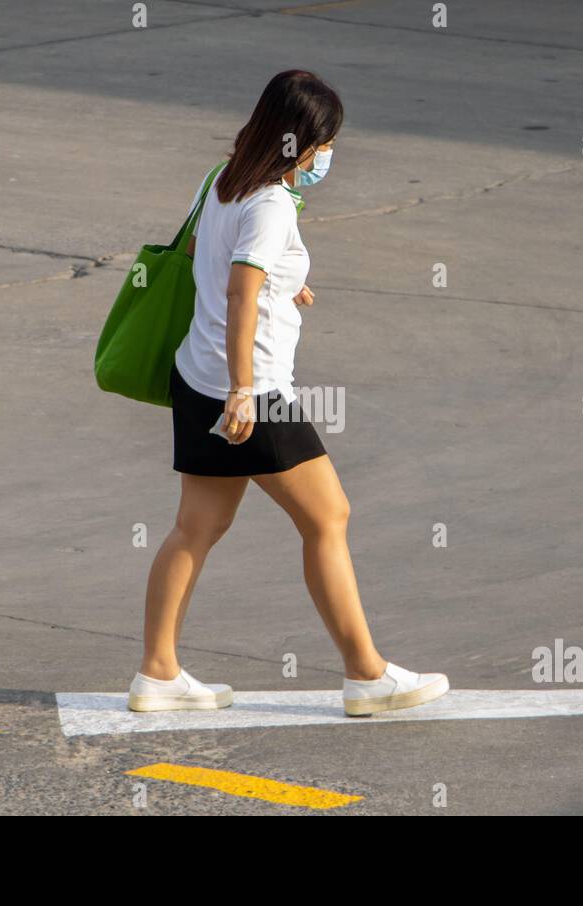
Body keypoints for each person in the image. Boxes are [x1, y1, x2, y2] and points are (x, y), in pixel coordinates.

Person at [127, 70, 448, 718]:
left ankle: (158, 673)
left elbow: (200, 255)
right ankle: (366, 674)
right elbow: (241, 290)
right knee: (328, 518)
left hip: (196, 378)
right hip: (251, 393)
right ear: (298, 142)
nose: (326, 157)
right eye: (324, 144)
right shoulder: (271, 203)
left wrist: (282, 284)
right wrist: (245, 390)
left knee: (196, 527)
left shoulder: (222, 180)